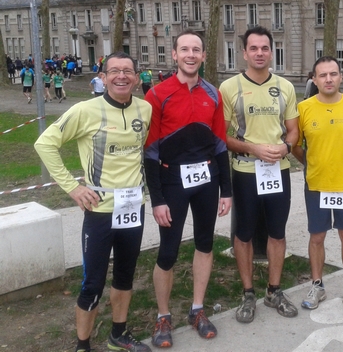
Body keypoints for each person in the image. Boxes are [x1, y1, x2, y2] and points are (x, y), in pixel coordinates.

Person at [34, 52, 152, 352]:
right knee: (92, 283)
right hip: (99, 212)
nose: (121, 76)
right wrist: (73, 188)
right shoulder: (85, 110)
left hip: (132, 208)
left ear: (137, 78)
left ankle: (118, 335)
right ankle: (82, 345)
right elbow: (45, 143)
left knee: (126, 275)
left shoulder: (145, 109)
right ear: (102, 77)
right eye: (114, 71)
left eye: (128, 71)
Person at [144, 30, 232, 347]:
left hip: (206, 180)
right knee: (168, 251)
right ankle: (163, 316)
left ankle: (197, 309)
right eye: (185, 49)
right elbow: (150, 151)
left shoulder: (214, 94)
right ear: (175, 55)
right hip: (172, 181)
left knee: (205, 243)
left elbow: (221, 144)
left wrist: (226, 190)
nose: (191, 55)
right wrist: (156, 199)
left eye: (196, 49)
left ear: (204, 56)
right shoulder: (157, 94)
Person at [219, 26, 299, 324]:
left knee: (277, 233)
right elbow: (223, 135)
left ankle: (274, 291)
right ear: (244, 53)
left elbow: (293, 130)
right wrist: (253, 149)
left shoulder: (286, 87)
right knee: (244, 234)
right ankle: (249, 292)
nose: (260, 53)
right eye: (254, 48)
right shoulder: (230, 88)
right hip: (245, 171)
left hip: (279, 171)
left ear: (272, 51)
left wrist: (286, 146)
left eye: (265, 48)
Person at [292, 56, 343, 317]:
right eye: (322, 75)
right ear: (314, 80)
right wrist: (313, 162)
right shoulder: (303, 108)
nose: (328, 79)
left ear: (341, 77)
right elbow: (295, 145)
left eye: (333, 74)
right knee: (317, 237)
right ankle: (317, 286)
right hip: (316, 184)